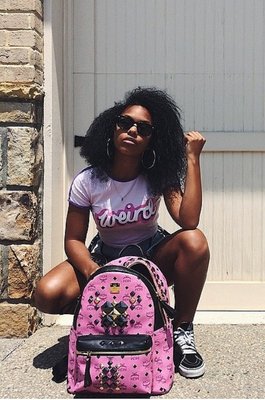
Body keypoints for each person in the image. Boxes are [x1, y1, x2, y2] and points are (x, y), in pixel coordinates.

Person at [34, 87, 210, 379]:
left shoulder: (158, 176)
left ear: (152, 139)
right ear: (112, 127)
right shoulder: (88, 181)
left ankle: (181, 328)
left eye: (144, 128)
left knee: (195, 241)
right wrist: (93, 272)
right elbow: (73, 240)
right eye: (125, 122)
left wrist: (192, 159)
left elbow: (188, 220)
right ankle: (101, 321)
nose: (133, 130)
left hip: (151, 259)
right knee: (46, 294)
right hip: (105, 258)